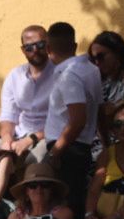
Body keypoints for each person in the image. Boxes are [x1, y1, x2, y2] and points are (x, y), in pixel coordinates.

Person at [43, 21, 104, 205]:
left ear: (48, 48)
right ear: (75, 46)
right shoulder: (91, 70)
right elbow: (100, 111)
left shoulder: (69, 74)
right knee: (75, 200)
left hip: (67, 149)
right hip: (81, 147)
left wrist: (54, 153)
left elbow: (77, 120)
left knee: (65, 204)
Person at [0, 24, 57, 154]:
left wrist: (31, 139)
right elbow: (8, 115)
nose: (35, 50)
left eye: (40, 45)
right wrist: (7, 140)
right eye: (29, 47)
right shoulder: (15, 76)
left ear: (48, 45)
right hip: (18, 136)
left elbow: (64, 120)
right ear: (23, 50)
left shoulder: (60, 74)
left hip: (47, 138)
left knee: (35, 161)